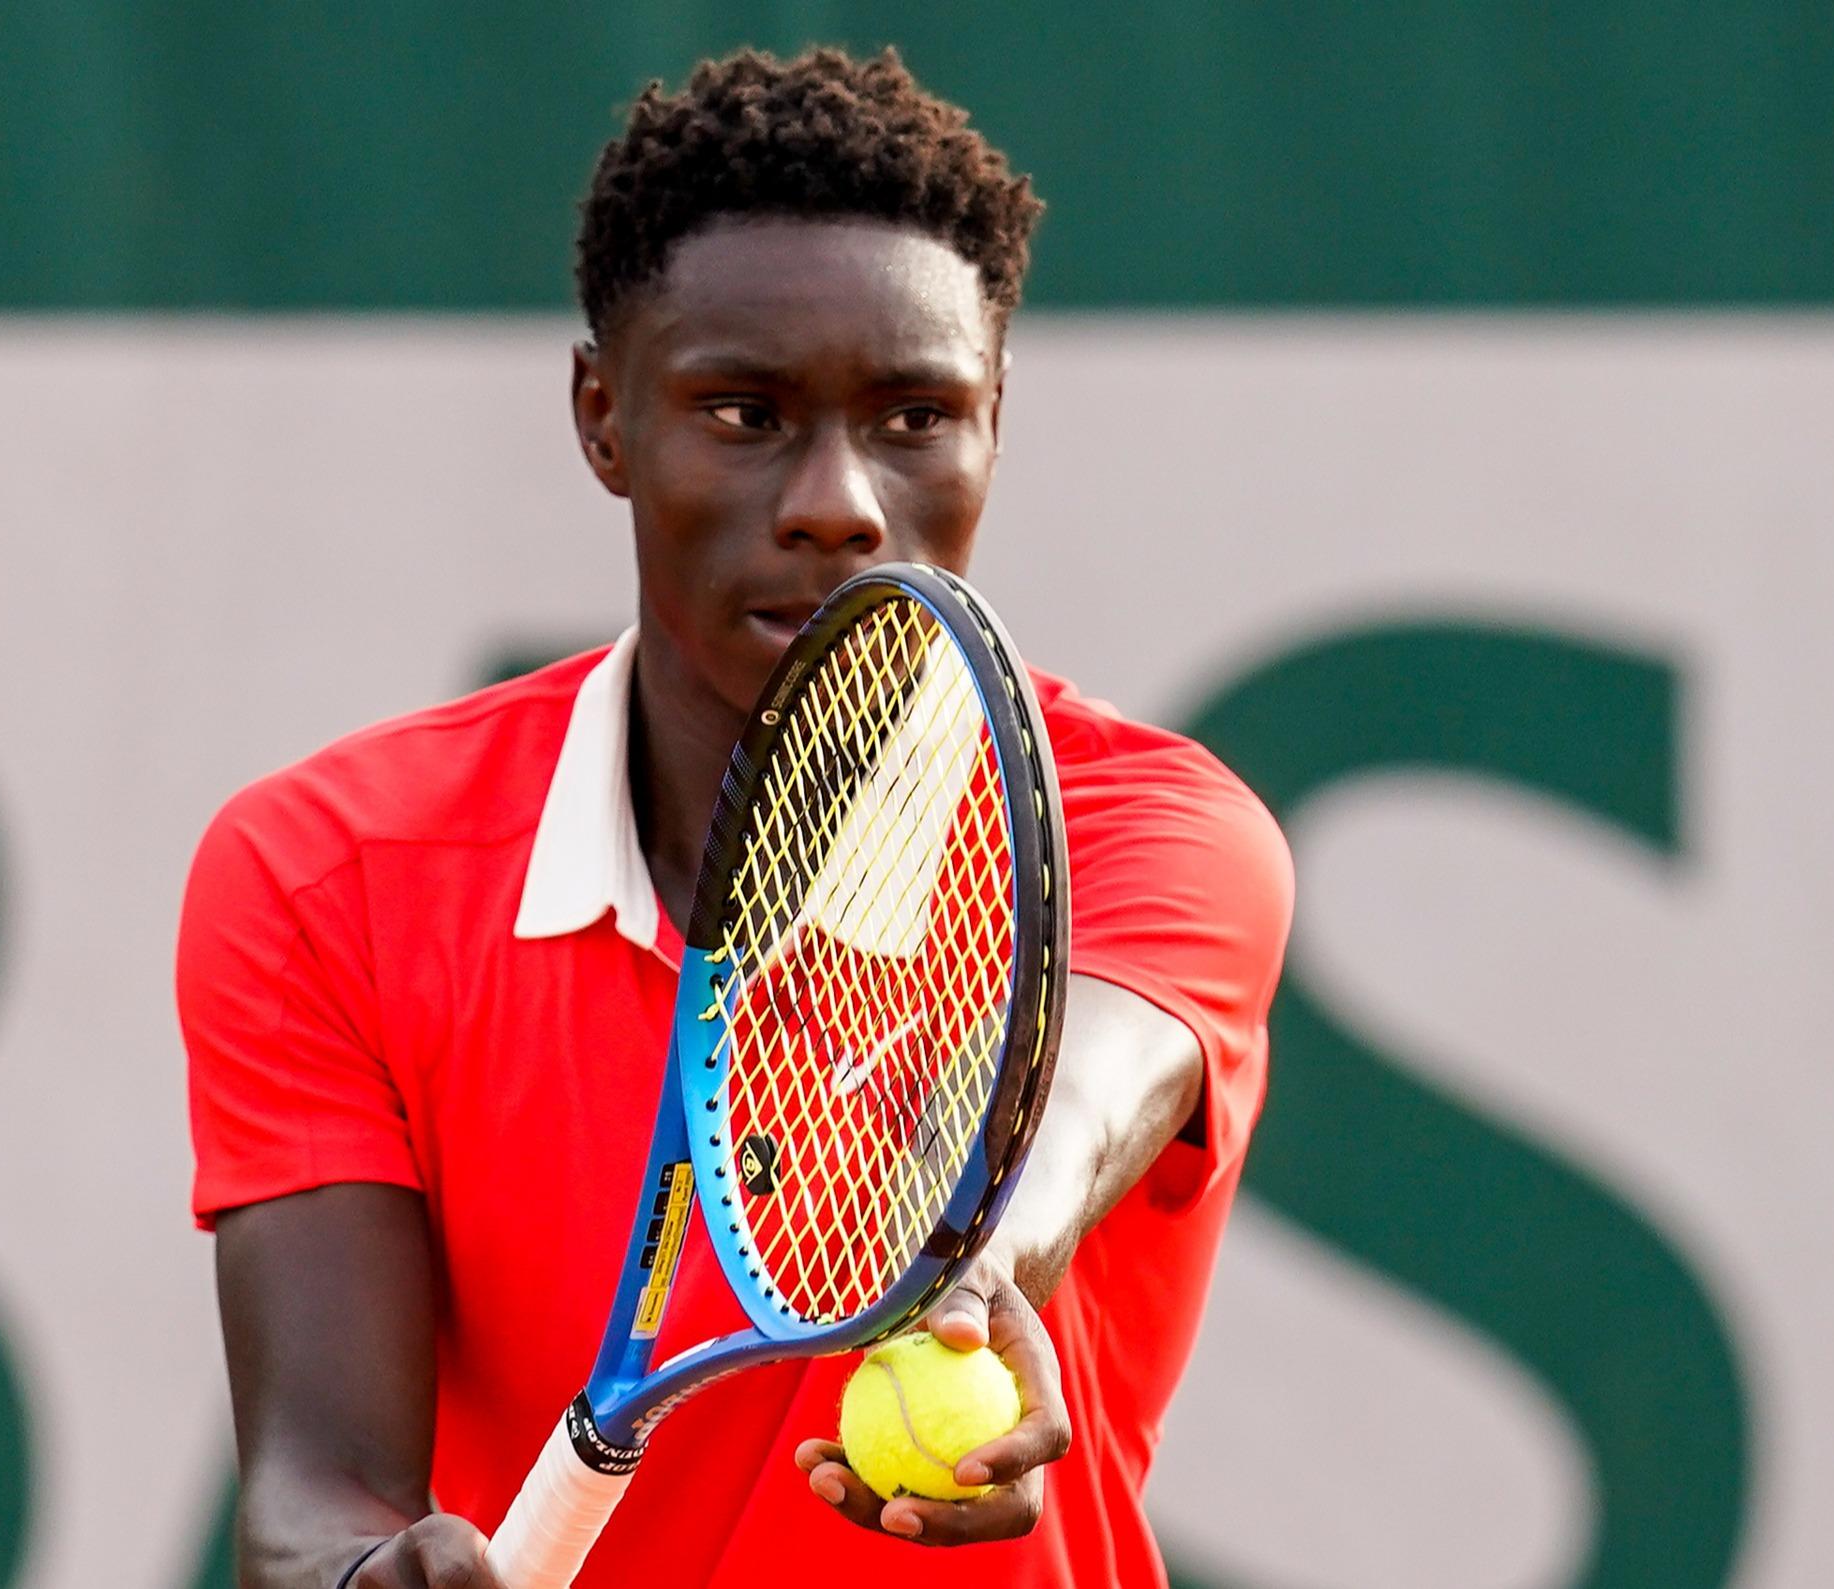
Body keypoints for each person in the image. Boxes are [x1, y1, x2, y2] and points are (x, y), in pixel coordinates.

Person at [177, 44, 1293, 1589]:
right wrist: (372, 1579)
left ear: (993, 421)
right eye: (744, 411)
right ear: (602, 416)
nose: (836, 499)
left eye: (915, 416)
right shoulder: (324, 873)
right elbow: (312, 1501)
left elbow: (1078, 1104)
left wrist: (971, 1260)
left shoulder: (1145, 829)